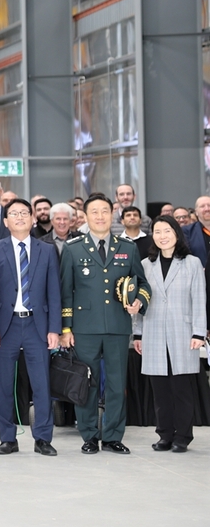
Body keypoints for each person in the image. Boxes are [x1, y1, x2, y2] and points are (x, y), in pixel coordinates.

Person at [60, 192, 149, 454]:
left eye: (104, 211)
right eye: (94, 212)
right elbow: (66, 290)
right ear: (85, 217)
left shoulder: (128, 247)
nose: (100, 216)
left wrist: (139, 302)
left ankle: (112, 436)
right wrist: (66, 328)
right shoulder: (73, 248)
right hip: (84, 328)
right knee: (86, 384)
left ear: (113, 215)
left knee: (115, 384)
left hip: (118, 328)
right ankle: (88, 435)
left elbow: (142, 284)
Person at [0, 197, 60, 456]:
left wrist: (54, 329)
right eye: (13, 213)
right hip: (5, 326)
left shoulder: (47, 250)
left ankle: (42, 438)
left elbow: (54, 291)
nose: (19, 217)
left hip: (36, 325)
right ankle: (7, 438)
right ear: (5, 222)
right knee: (4, 385)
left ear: (32, 219)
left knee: (41, 384)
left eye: (24, 213)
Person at [134, 216, 205, 452]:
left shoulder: (192, 262)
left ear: (176, 233)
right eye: (157, 231)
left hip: (183, 333)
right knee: (160, 390)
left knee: (181, 389)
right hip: (153, 332)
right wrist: (137, 335)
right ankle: (164, 434)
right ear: (152, 235)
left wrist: (198, 333)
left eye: (167, 231)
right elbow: (140, 303)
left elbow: (199, 300)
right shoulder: (145, 264)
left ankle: (183, 436)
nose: (162, 236)